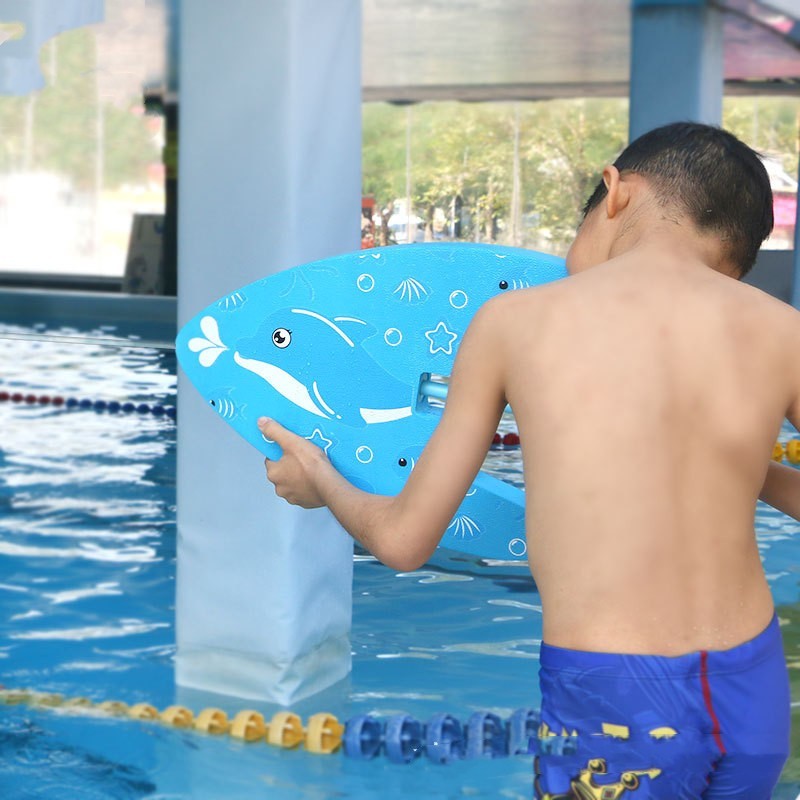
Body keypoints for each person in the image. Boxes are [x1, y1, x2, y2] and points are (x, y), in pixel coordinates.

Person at [258, 122, 800, 798]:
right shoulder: (784, 331)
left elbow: (403, 538)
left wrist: (321, 481)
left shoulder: (517, 322)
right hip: (752, 688)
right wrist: (742, 464)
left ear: (615, 193)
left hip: (616, 695)